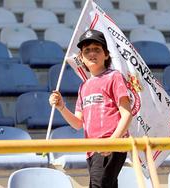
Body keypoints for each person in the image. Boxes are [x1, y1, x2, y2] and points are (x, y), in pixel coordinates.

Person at [49, 29, 132, 188]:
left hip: (112, 144)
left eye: (97, 49)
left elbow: (127, 114)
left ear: (106, 54)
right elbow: (78, 123)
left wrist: (112, 141)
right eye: (87, 50)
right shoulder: (83, 86)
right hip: (92, 149)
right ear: (81, 57)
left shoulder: (114, 77)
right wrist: (61, 107)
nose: (91, 53)